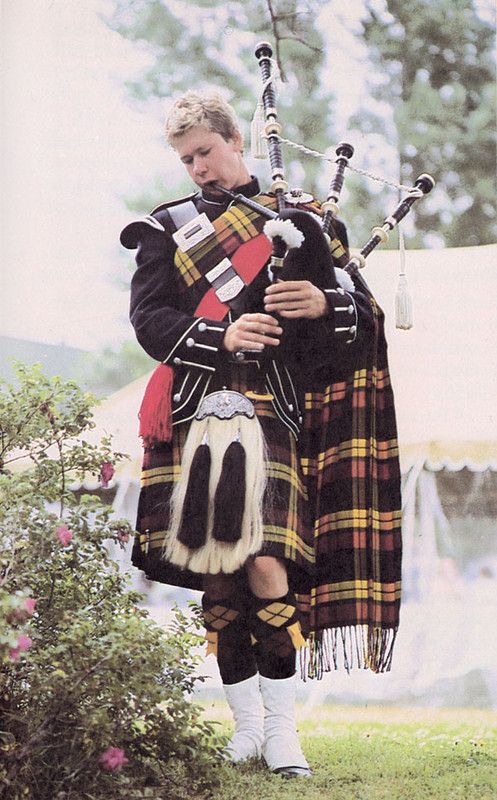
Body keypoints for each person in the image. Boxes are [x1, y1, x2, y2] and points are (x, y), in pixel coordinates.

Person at [120, 91, 402, 778]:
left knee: (268, 563)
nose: (197, 169)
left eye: (205, 153)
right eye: (186, 160)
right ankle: (245, 729)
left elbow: (357, 318)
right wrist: (221, 333)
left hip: (272, 411)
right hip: (198, 412)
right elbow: (149, 320)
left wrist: (321, 301)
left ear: (234, 140)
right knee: (221, 573)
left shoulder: (304, 219)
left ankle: (283, 733)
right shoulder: (168, 228)